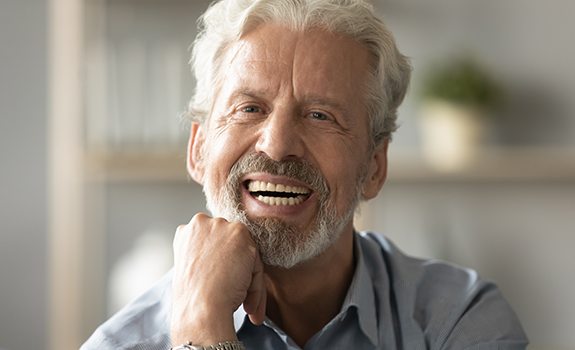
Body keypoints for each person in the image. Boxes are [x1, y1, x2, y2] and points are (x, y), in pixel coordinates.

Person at [82, 0, 528, 349]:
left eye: (320, 115)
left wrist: (204, 340)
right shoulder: (119, 346)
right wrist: (201, 326)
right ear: (198, 149)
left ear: (375, 166)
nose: (276, 145)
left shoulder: (459, 321)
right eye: (249, 109)